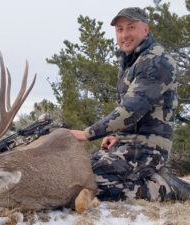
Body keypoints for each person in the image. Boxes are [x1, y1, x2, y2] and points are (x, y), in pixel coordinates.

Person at [70, 7, 190, 201]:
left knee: (93, 184)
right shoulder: (132, 61)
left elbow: (132, 109)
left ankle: (167, 187)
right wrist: (116, 134)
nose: (125, 34)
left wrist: (87, 134)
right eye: (119, 29)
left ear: (145, 30)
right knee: (81, 171)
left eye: (131, 27)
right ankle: (156, 178)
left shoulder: (156, 61)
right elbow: (131, 109)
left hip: (149, 148)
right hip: (128, 144)